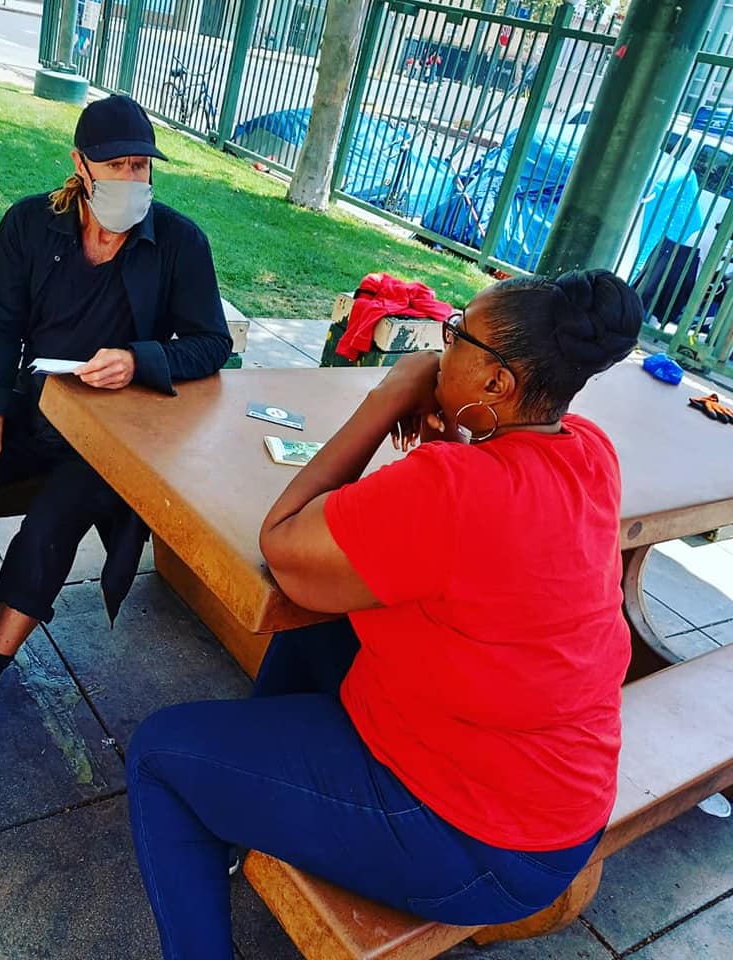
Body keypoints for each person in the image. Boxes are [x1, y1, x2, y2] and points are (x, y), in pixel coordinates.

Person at [125, 269, 643, 959]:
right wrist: (447, 436)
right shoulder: (587, 449)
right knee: (323, 622)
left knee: (159, 755)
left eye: (456, 335)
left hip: (478, 844)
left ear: (497, 382)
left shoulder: (452, 487)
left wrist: (388, 395)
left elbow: (284, 544)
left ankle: (214, 825)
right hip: (557, 805)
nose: (437, 348)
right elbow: (467, 545)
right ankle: (243, 802)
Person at [0, 94, 232, 809]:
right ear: (80, 165)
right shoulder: (31, 223)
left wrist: (141, 359)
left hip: (108, 433)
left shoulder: (179, 242)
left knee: (52, 528)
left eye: (142, 165)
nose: (132, 179)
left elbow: (212, 344)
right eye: (117, 165)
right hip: (27, 404)